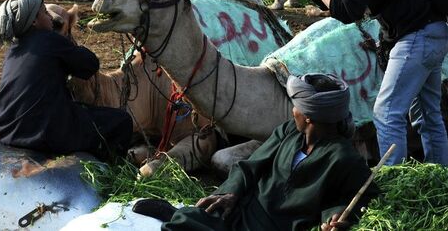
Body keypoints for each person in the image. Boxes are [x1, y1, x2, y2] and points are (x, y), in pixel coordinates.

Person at [289, 0, 448, 166]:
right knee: (427, 114)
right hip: (433, 32)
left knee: (387, 112)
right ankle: (441, 177)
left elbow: (346, 10)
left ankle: (393, 185)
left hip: (416, 36)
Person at [133, 73, 378, 231]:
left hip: (279, 225)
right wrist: (231, 192)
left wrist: (334, 218)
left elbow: (355, 197)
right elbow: (250, 166)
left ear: (309, 116)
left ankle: (181, 216)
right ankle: (180, 215)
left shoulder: (345, 158)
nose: (292, 111)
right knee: (200, 217)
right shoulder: (289, 132)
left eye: (295, 107)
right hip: (245, 207)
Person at [0, 0, 133, 161]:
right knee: (121, 121)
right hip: (42, 133)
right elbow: (90, 65)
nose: (49, 18)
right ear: (34, 21)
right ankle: (109, 175)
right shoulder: (49, 39)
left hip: (8, 131)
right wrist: (71, 44)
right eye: (44, 12)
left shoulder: (13, 49)